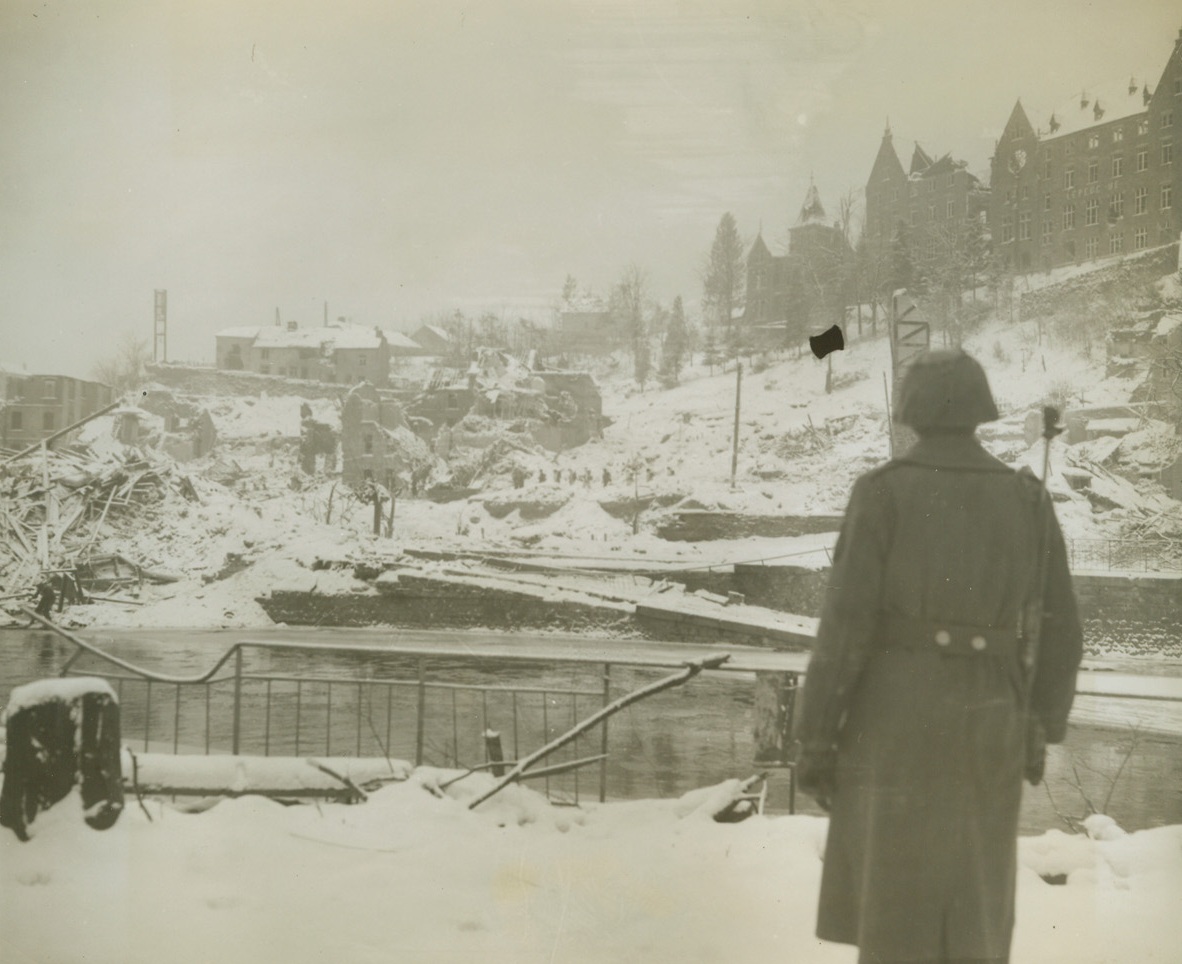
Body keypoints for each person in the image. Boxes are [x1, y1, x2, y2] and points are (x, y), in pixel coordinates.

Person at [796, 349, 1082, 964]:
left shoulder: (881, 493)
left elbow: (843, 630)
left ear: (912, 409)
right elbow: (1061, 629)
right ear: (980, 409)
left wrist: (816, 740)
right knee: (973, 902)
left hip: (893, 718)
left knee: (895, 907)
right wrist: (1038, 724)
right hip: (992, 717)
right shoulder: (1027, 499)